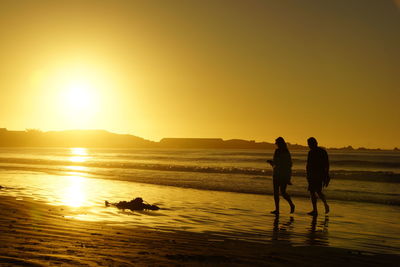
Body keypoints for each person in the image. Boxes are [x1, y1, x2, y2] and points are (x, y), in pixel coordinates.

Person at [267, 137, 295, 214]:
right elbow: (289, 164)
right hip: (283, 174)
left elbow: (276, 164)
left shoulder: (278, 151)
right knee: (282, 192)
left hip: (278, 174)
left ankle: (278, 209)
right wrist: (288, 176)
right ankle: (289, 205)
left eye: (276, 143)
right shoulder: (286, 151)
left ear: (279, 143)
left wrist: (271, 163)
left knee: (277, 192)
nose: (276, 144)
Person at [306, 137, 330, 216]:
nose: (309, 145)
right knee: (316, 191)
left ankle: (317, 209)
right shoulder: (322, 151)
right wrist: (326, 175)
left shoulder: (313, 152)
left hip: (316, 174)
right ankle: (322, 206)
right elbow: (327, 164)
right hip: (318, 174)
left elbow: (309, 165)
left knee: (314, 192)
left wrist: (326, 175)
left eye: (309, 144)